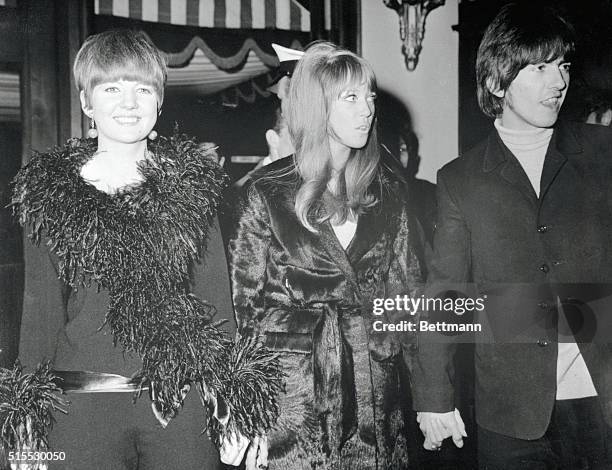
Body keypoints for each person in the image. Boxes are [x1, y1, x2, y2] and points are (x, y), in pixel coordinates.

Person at [10, 29, 280, 469]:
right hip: (79, 412)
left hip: (181, 409)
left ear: (159, 101)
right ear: (86, 103)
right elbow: (39, 320)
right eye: (111, 88)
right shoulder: (48, 197)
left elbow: (216, 308)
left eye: (142, 89)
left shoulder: (193, 190)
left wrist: (236, 409)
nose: (129, 103)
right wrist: (26, 425)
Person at [413, 3, 612, 469]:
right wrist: (434, 397)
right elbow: (446, 293)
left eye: (561, 66)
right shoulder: (461, 180)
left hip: (601, 407)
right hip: (513, 416)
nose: (558, 82)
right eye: (540, 68)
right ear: (497, 81)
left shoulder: (602, 154)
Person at [229, 41, 425, 469]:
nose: (367, 110)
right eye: (350, 98)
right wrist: (246, 413)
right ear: (317, 107)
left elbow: (408, 298)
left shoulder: (389, 191)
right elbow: (244, 311)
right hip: (294, 403)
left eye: (369, 97)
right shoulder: (266, 193)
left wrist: (431, 399)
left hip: (376, 398)